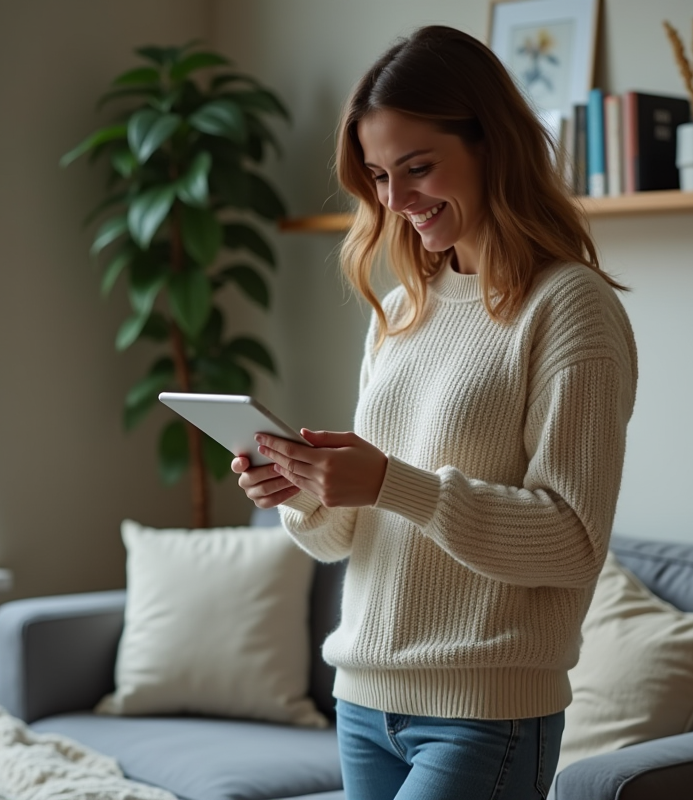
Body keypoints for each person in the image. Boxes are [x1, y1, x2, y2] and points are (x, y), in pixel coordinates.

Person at [232, 24, 637, 800]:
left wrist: (390, 482)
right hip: (364, 699)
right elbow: (350, 536)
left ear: (494, 145)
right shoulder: (402, 310)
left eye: (418, 167)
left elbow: (571, 540)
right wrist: (306, 488)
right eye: (380, 176)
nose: (396, 201)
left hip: (483, 714)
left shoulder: (569, 308)